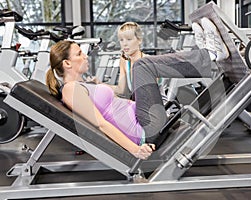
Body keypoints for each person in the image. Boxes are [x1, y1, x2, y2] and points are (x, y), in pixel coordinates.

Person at [45, 17, 229, 160]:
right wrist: (135, 150)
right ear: (67, 63)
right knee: (142, 66)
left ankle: (206, 53)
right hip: (145, 129)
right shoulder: (70, 90)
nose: (84, 55)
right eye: (79, 53)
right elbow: (100, 123)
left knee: (142, 65)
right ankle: (209, 55)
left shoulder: (80, 86)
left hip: (144, 118)